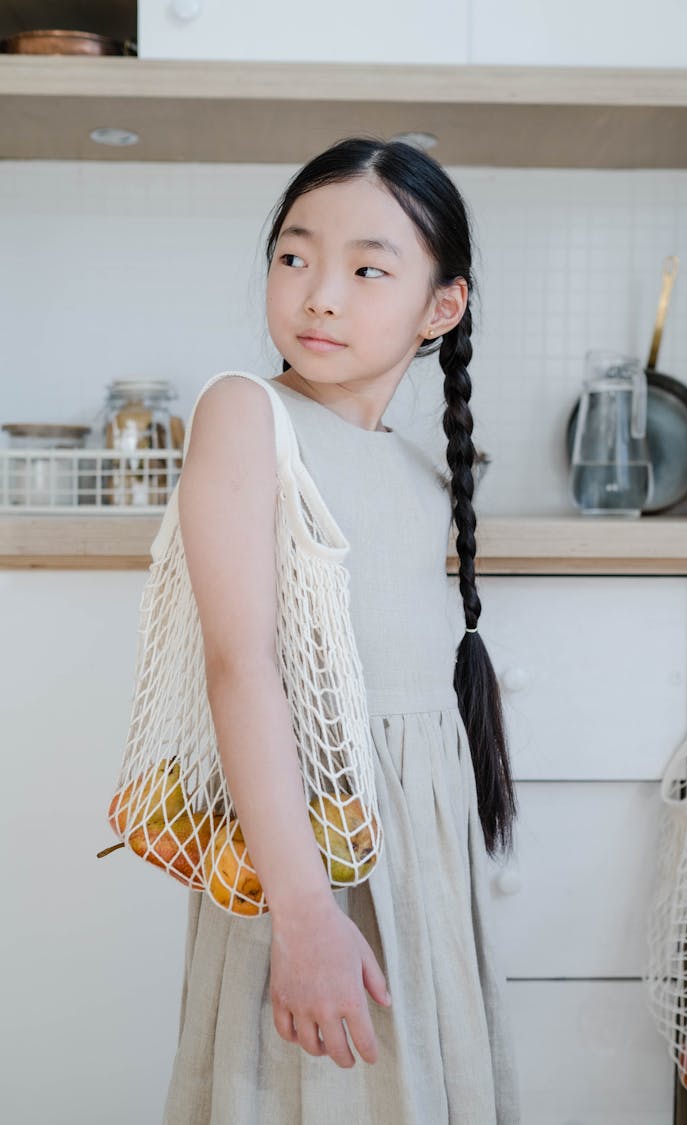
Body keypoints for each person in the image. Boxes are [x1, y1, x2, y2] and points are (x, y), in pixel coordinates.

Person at [162, 136, 521, 1124]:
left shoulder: (419, 469)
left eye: (368, 268)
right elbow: (243, 671)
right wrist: (306, 914)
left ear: (439, 308)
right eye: (294, 256)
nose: (319, 293)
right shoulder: (247, 415)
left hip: (417, 871)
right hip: (308, 859)